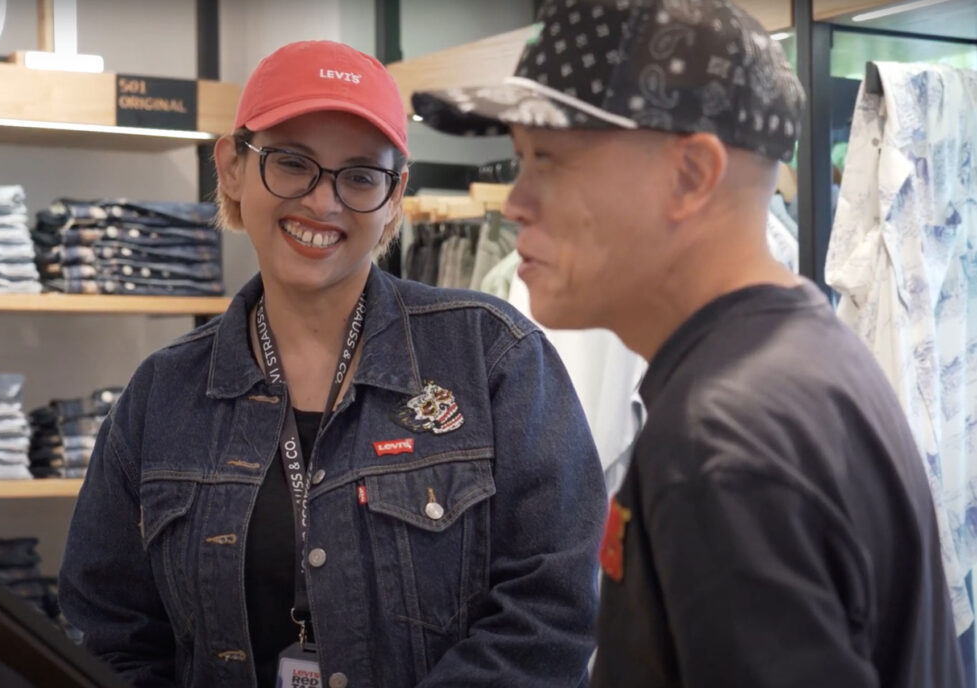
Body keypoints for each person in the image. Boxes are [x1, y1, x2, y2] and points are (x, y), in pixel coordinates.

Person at [413, 0, 964, 686]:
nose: (515, 203)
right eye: (519, 162)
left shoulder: (723, 441)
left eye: (548, 162)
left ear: (690, 176)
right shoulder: (796, 364)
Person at [59, 40, 606, 688]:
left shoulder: (493, 358)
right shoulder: (164, 395)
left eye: (359, 175)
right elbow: (109, 633)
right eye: (291, 163)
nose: (323, 203)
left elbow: (552, 611)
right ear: (232, 166)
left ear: (395, 195)